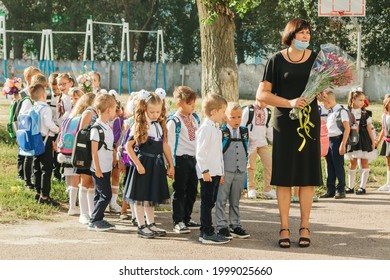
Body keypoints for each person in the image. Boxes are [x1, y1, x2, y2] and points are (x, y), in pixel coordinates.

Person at [256, 18, 323, 248]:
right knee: (284, 177)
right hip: (284, 123)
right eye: (302, 33)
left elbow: (324, 91)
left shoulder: (317, 59)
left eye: (308, 33)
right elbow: (262, 96)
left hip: (309, 124)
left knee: (307, 176)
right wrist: (290, 102)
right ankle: (284, 227)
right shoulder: (276, 60)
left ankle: (304, 226)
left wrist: (323, 94)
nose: (306, 37)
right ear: (291, 35)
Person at [123, 91, 174, 238]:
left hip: (156, 165)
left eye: (158, 112)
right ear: (144, 109)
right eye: (152, 112)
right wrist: (138, 164)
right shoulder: (140, 126)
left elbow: (165, 146)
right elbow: (128, 146)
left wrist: (171, 164)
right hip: (143, 165)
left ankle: (151, 223)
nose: (155, 114)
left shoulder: (158, 125)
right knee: (140, 197)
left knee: (150, 197)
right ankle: (141, 225)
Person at [196, 93, 230, 245]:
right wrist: (204, 171)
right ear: (213, 112)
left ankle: (208, 229)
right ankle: (206, 232)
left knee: (211, 202)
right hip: (208, 173)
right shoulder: (205, 129)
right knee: (206, 202)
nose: (225, 114)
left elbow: (218, 154)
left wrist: (221, 173)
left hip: (215, 172)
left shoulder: (215, 128)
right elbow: (200, 152)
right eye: (223, 111)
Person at [167, 86, 200, 234]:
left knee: (192, 190)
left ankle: (187, 217)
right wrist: (171, 164)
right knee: (180, 191)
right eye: (189, 103)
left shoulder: (195, 118)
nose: (192, 106)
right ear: (179, 103)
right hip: (180, 160)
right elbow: (170, 144)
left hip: (193, 160)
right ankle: (178, 220)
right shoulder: (174, 121)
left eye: (193, 103)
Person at [216, 102, 250, 239]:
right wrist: (220, 171)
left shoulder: (244, 132)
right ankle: (221, 225)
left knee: (235, 200)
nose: (237, 120)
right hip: (226, 171)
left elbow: (248, 149)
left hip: (240, 171)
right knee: (221, 199)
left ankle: (235, 225)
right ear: (226, 117)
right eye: (233, 117)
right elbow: (218, 153)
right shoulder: (221, 132)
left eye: (239, 117)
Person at [88, 93, 118, 231]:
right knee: (106, 195)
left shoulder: (107, 126)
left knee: (99, 195)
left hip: (106, 167)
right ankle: (94, 219)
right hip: (99, 168)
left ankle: (98, 219)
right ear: (108, 110)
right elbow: (94, 151)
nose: (116, 112)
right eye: (115, 108)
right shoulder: (96, 129)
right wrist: (98, 168)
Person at [29, 84, 60, 206]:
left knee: (36, 166)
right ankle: (45, 196)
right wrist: (58, 130)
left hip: (35, 138)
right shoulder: (45, 107)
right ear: (43, 95)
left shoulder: (34, 107)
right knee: (46, 168)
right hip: (46, 140)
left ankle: (37, 192)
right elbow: (48, 123)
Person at [344, 88, 376, 195]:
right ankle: (350, 186)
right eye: (360, 100)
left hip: (364, 139)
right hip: (352, 138)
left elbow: (368, 127)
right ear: (353, 100)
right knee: (352, 162)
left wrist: (373, 141)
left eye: (363, 100)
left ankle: (362, 187)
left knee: (364, 161)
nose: (363, 102)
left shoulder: (365, 113)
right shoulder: (347, 112)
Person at [319, 90, 350, 199]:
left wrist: (343, 144)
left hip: (337, 140)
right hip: (328, 141)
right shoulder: (330, 112)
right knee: (330, 166)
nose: (322, 105)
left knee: (338, 166)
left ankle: (341, 190)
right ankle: (330, 189)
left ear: (328, 101)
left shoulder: (341, 111)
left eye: (323, 102)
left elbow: (347, 128)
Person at [241, 100, 275, 199]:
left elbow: (268, 127)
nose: (266, 104)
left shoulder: (267, 111)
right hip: (251, 143)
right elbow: (243, 126)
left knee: (269, 164)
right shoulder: (249, 110)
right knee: (251, 166)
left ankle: (267, 189)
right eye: (264, 101)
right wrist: (246, 139)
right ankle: (251, 188)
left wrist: (273, 141)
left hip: (262, 143)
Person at [75, 94, 98, 224]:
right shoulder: (89, 113)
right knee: (85, 181)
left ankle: (91, 212)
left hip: (94, 152)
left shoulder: (96, 113)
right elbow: (82, 133)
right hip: (85, 152)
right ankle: (83, 213)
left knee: (92, 183)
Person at [18, 67, 41, 189]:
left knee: (32, 156)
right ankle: (26, 179)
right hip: (28, 131)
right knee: (27, 156)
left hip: (34, 130)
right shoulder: (26, 97)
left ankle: (30, 177)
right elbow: (23, 116)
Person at [47, 73, 62, 182]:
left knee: (59, 151)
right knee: (51, 151)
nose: (56, 91)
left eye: (57, 89)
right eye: (54, 89)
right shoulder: (47, 96)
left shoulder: (63, 97)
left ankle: (59, 172)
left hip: (61, 128)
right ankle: (53, 172)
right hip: (51, 128)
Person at [376, 94, 390, 191]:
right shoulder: (384, 116)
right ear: (386, 104)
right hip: (387, 141)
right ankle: (388, 183)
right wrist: (378, 141)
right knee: (388, 163)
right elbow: (383, 129)